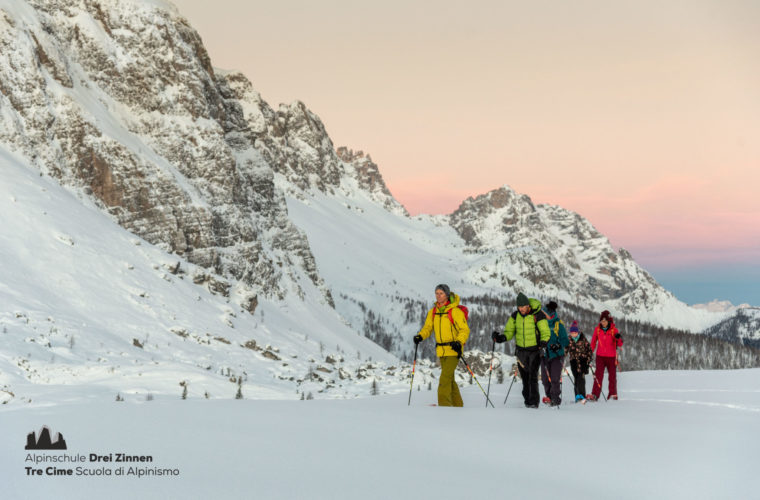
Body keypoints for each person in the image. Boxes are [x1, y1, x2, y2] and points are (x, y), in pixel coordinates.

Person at [413, 284, 470, 407]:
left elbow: (464, 330)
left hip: (453, 350)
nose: (438, 296)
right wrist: (420, 336)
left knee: (444, 380)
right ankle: (458, 407)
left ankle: (444, 409)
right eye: (437, 293)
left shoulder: (455, 311)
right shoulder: (433, 312)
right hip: (441, 351)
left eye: (441, 293)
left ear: (447, 295)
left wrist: (459, 342)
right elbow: (428, 328)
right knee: (450, 380)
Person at [493, 292, 551, 408]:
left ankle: (534, 403)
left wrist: (543, 345)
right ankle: (527, 402)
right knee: (524, 379)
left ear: (528, 305)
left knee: (532, 377)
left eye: (523, 307)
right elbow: (509, 332)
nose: (521, 309)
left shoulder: (538, 315)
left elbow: (545, 332)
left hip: (535, 351)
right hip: (521, 352)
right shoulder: (515, 316)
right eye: (519, 307)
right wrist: (501, 338)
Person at [589, 310, 623, 401]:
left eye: (605, 321)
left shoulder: (613, 330)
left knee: (612, 376)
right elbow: (593, 343)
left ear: (608, 321)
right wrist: (589, 353)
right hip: (600, 357)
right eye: (601, 321)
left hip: (611, 357)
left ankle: (612, 394)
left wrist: (618, 338)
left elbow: (620, 344)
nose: (603, 322)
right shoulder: (597, 329)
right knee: (598, 375)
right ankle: (595, 395)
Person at [540, 301, 569, 406]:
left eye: (545, 314)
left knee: (554, 378)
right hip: (544, 355)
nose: (543, 315)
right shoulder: (541, 324)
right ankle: (549, 397)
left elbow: (565, 340)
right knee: (544, 379)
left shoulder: (558, 324)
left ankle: (555, 399)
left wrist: (557, 345)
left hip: (557, 355)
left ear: (550, 314)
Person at [565, 320, 592, 402]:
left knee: (581, 378)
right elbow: (565, 350)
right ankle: (577, 396)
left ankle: (582, 395)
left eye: (575, 332)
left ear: (577, 332)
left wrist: (588, 359)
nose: (573, 334)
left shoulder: (583, 338)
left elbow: (589, 349)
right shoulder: (569, 340)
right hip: (573, 361)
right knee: (576, 378)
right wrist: (562, 356)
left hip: (583, 360)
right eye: (572, 333)